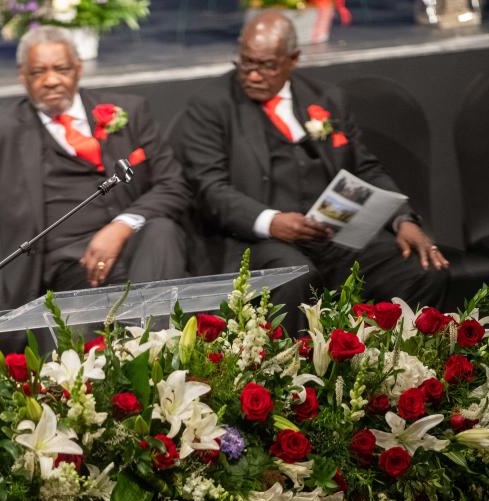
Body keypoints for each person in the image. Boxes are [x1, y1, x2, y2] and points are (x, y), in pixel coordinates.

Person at [170, 11, 449, 325]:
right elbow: (210, 189)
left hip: (334, 232)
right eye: (246, 62)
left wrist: (402, 219)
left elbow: (365, 169)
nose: (253, 75)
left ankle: (396, 366)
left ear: (293, 59)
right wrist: (271, 221)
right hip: (260, 242)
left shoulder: (326, 98)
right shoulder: (211, 105)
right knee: (295, 277)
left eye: (266, 66)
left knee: (420, 270)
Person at [0, 26, 190, 312]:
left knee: (162, 230)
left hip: (134, 246)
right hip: (65, 265)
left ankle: (147, 345)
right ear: (23, 76)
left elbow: (173, 184)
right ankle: (147, 344)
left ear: (79, 69)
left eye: (61, 68)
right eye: (38, 72)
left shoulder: (130, 111)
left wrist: (120, 227)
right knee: (138, 283)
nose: (51, 80)